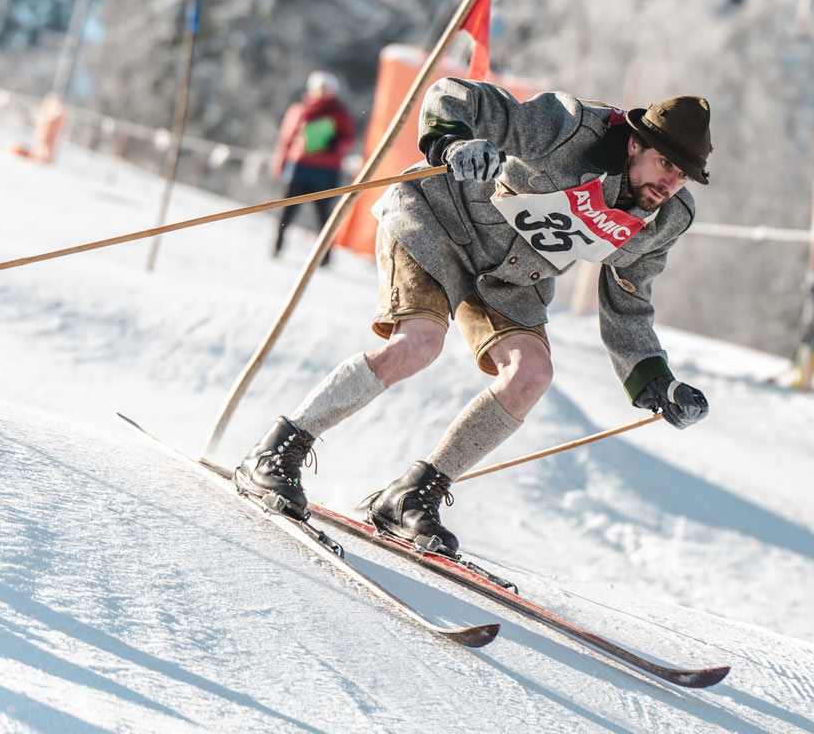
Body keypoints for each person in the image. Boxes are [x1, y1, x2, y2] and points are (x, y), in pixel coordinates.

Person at [234, 77, 713, 555]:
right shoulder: (571, 129)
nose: (669, 183)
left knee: (531, 375)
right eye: (664, 164)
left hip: (510, 277)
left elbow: (629, 300)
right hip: (435, 223)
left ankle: (410, 496)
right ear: (634, 143)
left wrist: (657, 382)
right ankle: (278, 447)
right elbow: (456, 94)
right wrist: (452, 142)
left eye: (682, 176)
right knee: (418, 344)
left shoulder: (665, 219)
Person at [268, 70, 356, 260]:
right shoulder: (300, 109)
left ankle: (324, 255)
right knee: (288, 209)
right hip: (300, 166)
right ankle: (277, 245)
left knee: (323, 215)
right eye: (319, 88)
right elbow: (286, 139)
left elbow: (348, 138)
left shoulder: (339, 113)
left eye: (326, 89)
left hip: (326, 170)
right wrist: (280, 162)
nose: (322, 92)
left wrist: (336, 143)